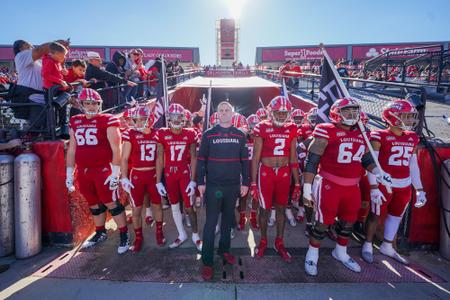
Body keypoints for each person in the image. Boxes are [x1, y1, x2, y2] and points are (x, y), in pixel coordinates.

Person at [302, 97, 392, 276]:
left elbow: (366, 159)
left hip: (352, 186)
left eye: (354, 111)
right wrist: (307, 188)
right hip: (329, 184)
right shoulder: (326, 130)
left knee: (349, 221)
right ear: (336, 113)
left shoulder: (362, 132)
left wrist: (378, 171)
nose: (352, 115)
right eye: (347, 111)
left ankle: (341, 252)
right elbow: (312, 161)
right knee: (322, 223)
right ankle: (312, 254)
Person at [362, 100, 426, 265]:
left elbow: (412, 164)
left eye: (412, 116)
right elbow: (372, 162)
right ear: (393, 117)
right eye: (407, 116)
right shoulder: (379, 135)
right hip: (384, 183)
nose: (411, 120)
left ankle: (387, 246)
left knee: (396, 216)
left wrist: (419, 189)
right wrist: (374, 186)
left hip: (404, 184)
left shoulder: (412, 137)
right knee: (375, 215)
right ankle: (367, 244)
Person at [66, 88, 129, 254]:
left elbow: (117, 149)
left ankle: (124, 234)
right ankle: (100, 232)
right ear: (81, 104)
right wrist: (69, 173)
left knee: (111, 202)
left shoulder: (107, 120)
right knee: (93, 204)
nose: (92, 106)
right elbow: (72, 149)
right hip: (84, 171)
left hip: (103, 169)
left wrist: (116, 173)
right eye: (88, 103)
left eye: (95, 103)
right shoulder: (75, 120)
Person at [197, 101, 249, 281]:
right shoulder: (208, 134)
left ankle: (224, 250)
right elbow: (201, 159)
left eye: (228, 110)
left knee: (227, 222)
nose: (224, 112)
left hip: (233, 186)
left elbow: (245, 161)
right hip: (213, 186)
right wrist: (200, 181)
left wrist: (246, 183)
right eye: (221, 110)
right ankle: (207, 261)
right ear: (217, 113)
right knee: (210, 224)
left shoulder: (240, 135)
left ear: (233, 113)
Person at [251, 95, 301, 263]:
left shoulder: (292, 128)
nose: (281, 115)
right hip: (266, 172)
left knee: (281, 209)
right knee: (264, 209)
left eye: (284, 112)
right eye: (278, 112)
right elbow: (255, 158)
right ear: (271, 112)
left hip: (285, 173)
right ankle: (263, 240)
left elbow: (293, 158)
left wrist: (298, 183)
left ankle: (279, 242)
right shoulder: (261, 127)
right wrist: (253, 182)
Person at [155, 103, 202, 250]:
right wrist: (158, 181)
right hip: (169, 174)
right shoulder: (162, 133)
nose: (176, 120)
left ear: (184, 117)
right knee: (175, 207)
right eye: (173, 117)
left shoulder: (190, 133)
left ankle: (195, 236)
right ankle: (182, 234)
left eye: (179, 116)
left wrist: (193, 181)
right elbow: (159, 158)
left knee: (189, 207)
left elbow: (194, 157)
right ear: (168, 118)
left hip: (184, 173)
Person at [120, 106, 165, 252]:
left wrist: (159, 180)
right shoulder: (130, 134)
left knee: (157, 205)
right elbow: (124, 158)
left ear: (149, 119)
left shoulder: (157, 134)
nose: (138, 123)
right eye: (136, 120)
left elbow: (159, 159)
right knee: (136, 209)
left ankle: (159, 232)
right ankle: (138, 237)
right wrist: (124, 177)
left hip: (152, 174)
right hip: (137, 176)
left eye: (141, 120)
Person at [12, 39, 69, 127]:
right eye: (29, 46)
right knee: (38, 130)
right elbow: (41, 50)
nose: (32, 47)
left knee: (50, 127)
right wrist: (57, 45)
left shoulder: (40, 60)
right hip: (33, 99)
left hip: (45, 97)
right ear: (21, 48)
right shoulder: (21, 55)